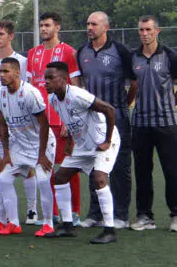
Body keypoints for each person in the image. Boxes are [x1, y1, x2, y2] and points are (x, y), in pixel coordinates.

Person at [44, 61, 120, 244]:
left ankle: (109, 230)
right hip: (82, 145)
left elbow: (109, 110)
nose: (46, 82)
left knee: (99, 179)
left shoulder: (78, 95)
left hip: (102, 141)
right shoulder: (53, 99)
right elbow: (70, 121)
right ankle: (67, 225)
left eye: (51, 78)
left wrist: (107, 140)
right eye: (45, 78)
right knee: (60, 177)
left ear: (64, 79)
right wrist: (70, 142)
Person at [77, 12, 136, 229]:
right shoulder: (82, 51)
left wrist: (120, 106)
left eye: (94, 24)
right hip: (94, 122)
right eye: (88, 24)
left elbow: (134, 83)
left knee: (120, 168)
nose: (89, 27)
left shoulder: (120, 51)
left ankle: (120, 215)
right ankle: (95, 214)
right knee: (94, 167)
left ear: (106, 27)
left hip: (119, 119)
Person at [26, 12, 82, 225]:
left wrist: (72, 119)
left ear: (57, 27)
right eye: (41, 25)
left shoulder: (68, 52)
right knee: (45, 167)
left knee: (68, 166)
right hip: (41, 122)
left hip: (62, 120)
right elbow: (31, 88)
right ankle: (53, 213)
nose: (43, 29)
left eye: (47, 25)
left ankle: (75, 212)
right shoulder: (33, 53)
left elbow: (75, 87)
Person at [0, 57, 56, 237]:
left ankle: (48, 223)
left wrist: (42, 155)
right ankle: (13, 223)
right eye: (0, 72)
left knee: (43, 180)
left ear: (17, 72)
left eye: (6, 72)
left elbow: (44, 124)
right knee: (4, 177)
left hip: (42, 145)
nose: (2, 75)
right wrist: (6, 153)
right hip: (20, 145)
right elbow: (2, 124)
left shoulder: (29, 93)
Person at [0, 20, 37, 225]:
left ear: (11, 36)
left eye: (1, 34)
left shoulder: (22, 62)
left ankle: (32, 210)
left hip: (20, 122)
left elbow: (28, 91)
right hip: (0, 121)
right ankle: (3, 213)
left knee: (28, 166)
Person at [129, 15, 177, 232]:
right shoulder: (133, 57)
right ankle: (145, 216)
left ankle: (175, 215)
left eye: (148, 30)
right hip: (140, 124)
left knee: (171, 170)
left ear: (157, 31)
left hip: (166, 124)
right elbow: (131, 86)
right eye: (141, 30)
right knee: (142, 171)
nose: (144, 34)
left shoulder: (170, 56)